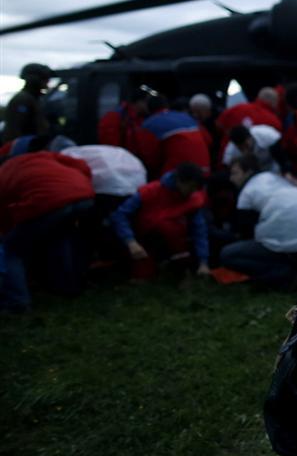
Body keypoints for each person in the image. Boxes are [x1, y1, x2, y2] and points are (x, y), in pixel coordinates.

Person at [0, 149, 95, 312]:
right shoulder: (43, 155)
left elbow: (3, 216)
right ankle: (67, 288)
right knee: (59, 237)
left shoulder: (3, 173)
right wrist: (79, 182)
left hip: (47, 202)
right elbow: (81, 164)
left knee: (11, 251)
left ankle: (18, 303)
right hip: (84, 195)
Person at [220, 154, 297, 289]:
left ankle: (286, 276)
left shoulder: (245, 195)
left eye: (235, 173)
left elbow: (245, 232)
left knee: (229, 254)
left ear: (247, 171)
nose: (231, 178)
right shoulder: (272, 177)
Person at [110, 161, 211, 278]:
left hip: (178, 244)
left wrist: (203, 262)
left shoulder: (193, 200)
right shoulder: (149, 192)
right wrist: (130, 241)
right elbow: (120, 215)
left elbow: (199, 230)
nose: (193, 191)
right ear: (179, 181)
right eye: (191, 187)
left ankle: (180, 267)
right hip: (142, 239)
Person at [140, 95, 211, 176]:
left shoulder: (148, 124)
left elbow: (149, 157)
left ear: (148, 109)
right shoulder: (186, 117)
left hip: (180, 176)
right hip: (205, 168)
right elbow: (208, 140)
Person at [3, 63, 54, 142]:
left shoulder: (35, 99)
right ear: (34, 79)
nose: (47, 82)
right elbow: (13, 132)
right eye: (44, 78)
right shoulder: (22, 99)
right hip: (25, 150)